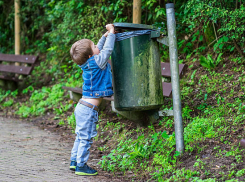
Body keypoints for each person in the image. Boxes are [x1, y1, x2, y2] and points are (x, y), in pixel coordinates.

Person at [69, 24, 115, 176]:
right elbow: (107, 51)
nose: (97, 46)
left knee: (80, 137)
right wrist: (112, 33)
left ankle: (74, 161)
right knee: (86, 139)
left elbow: (98, 49)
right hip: (88, 110)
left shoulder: (87, 62)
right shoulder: (97, 62)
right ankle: (81, 166)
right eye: (94, 46)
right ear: (90, 55)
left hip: (82, 107)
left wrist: (104, 37)